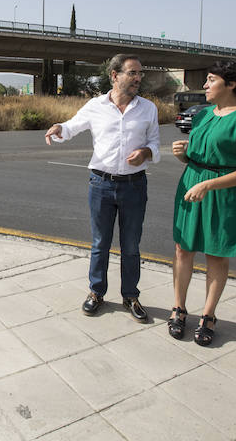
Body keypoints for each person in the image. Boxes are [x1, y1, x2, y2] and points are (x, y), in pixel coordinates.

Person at [45, 54, 160, 321]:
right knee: (100, 243)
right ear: (114, 76)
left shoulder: (148, 109)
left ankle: (130, 295)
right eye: (132, 73)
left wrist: (145, 152)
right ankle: (96, 292)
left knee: (131, 245)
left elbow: (155, 144)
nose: (138, 78)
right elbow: (73, 126)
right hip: (101, 185)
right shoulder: (95, 106)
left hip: (134, 186)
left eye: (139, 74)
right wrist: (59, 127)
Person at [169, 60, 236, 346]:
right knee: (182, 248)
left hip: (222, 192)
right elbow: (202, 153)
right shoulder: (203, 115)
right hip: (192, 184)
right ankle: (178, 308)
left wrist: (209, 184)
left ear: (231, 84)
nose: (205, 85)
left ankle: (208, 315)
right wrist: (184, 155)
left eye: (211, 80)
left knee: (216, 253)